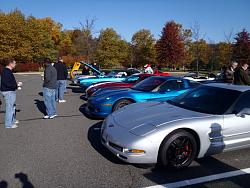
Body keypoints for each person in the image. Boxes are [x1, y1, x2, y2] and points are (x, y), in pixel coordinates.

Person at [0, 58, 21, 128]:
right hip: (8, 92)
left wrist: (16, 84)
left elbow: (9, 82)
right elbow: (7, 83)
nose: (15, 64)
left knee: (12, 107)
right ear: (10, 64)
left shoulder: (7, 71)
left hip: (9, 91)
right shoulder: (6, 72)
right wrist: (16, 85)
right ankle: (8, 124)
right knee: (9, 108)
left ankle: (12, 121)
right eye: (14, 63)